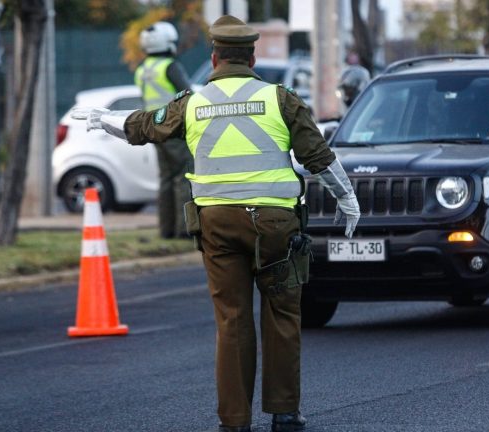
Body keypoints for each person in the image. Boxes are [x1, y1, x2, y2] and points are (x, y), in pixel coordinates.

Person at [79, 15, 361, 432]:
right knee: (282, 314)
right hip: (275, 224)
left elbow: (144, 127)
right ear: (251, 57)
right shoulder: (278, 98)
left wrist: (105, 118)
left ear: (213, 59)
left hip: (217, 224)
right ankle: (284, 412)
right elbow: (318, 156)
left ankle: (234, 420)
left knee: (231, 320)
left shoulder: (192, 103)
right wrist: (348, 200)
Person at [135, 21, 194, 239]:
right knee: (183, 177)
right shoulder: (170, 66)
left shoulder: (143, 69)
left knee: (166, 179)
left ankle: (166, 230)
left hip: (153, 127)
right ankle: (184, 230)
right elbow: (188, 95)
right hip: (174, 127)